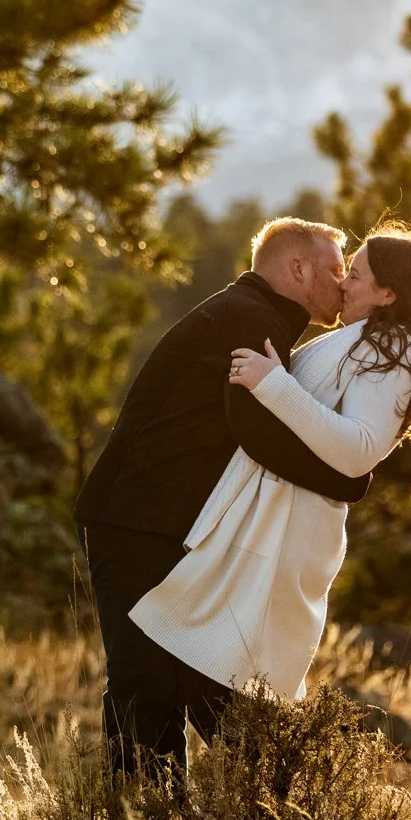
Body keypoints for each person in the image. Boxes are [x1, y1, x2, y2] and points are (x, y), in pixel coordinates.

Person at [130, 224, 411, 707]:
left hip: (287, 532)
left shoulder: (394, 348)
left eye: (355, 275)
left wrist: (273, 384)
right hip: (271, 524)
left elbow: (359, 448)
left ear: (388, 292)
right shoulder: (367, 339)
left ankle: (279, 779)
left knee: (228, 685)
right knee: (209, 673)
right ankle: (256, 777)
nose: (343, 284)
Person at [76, 218, 371, 777]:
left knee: (190, 679)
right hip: (135, 522)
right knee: (145, 686)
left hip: (164, 524)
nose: (342, 282)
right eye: (336, 269)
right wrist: (350, 478)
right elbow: (259, 434)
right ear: (297, 268)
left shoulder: (257, 316)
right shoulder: (251, 320)